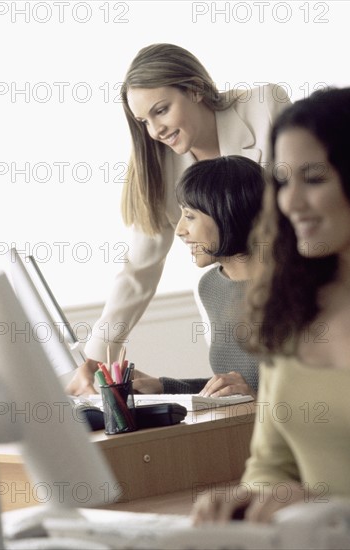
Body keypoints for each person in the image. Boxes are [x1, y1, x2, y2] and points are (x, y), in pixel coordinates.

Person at [66, 43, 291, 396]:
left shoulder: (263, 108)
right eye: (144, 121)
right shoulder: (160, 165)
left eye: (162, 110)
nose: (155, 130)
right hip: (234, 307)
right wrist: (98, 358)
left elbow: (313, 206)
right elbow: (139, 270)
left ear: (195, 89)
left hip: (295, 291)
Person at [192, 86, 350, 524]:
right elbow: (269, 465)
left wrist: (328, 509)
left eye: (314, 178)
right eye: (282, 181)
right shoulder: (289, 307)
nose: (290, 202)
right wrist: (248, 501)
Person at [133, 155, 264, 397]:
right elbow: (234, 386)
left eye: (190, 216)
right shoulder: (211, 286)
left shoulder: (297, 285)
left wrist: (259, 402)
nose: (180, 230)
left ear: (227, 213)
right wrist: (163, 386)